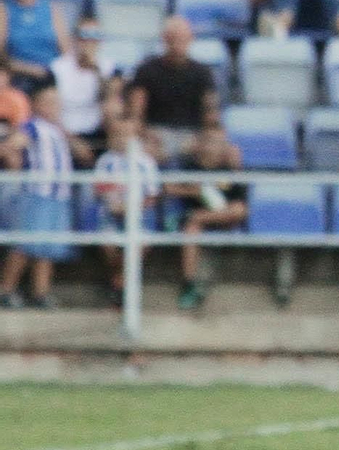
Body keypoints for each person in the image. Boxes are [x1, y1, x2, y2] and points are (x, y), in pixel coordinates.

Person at [0, 83, 73, 309]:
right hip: (37, 194)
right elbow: (11, 145)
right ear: (36, 105)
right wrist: (14, 163)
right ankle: (5, 289)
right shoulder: (33, 126)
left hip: (58, 196)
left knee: (46, 248)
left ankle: (41, 293)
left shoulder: (57, 129)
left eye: (57, 102)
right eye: (48, 102)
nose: (54, 107)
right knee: (25, 245)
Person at [166, 124, 248, 309]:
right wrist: (192, 191)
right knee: (191, 230)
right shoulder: (189, 165)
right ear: (201, 143)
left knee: (238, 210)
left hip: (221, 219)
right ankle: (189, 284)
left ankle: (196, 217)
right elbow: (168, 187)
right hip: (196, 221)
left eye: (220, 142)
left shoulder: (229, 170)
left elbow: (239, 205)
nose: (215, 146)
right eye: (211, 141)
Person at [89, 108, 160, 305]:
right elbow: (98, 189)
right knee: (109, 247)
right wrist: (113, 203)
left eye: (127, 135)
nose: (122, 139)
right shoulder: (105, 161)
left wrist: (131, 208)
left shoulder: (145, 162)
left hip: (140, 216)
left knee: (138, 247)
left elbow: (152, 196)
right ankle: (121, 283)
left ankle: (119, 286)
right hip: (111, 214)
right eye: (117, 134)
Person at [127, 16, 220, 165]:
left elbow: (210, 113)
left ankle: (204, 188)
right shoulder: (147, 70)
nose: (177, 44)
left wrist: (206, 137)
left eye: (182, 38)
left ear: (190, 39)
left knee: (222, 151)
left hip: (192, 137)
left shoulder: (202, 73)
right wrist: (145, 133)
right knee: (139, 152)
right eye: (173, 38)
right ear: (165, 39)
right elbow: (137, 114)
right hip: (157, 135)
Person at [48, 16, 115, 162]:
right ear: (75, 38)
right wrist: (71, 140)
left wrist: (96, 71)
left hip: (98, 131)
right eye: (85, 36)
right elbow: (50, 111)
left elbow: (110, 103)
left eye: (95, 36)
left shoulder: (107, 68)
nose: (89, 42)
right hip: (64, 131)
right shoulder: (58, 69)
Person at [0, 0, 70, 95]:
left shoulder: (51, 9)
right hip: (18, 74)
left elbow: (65, 50)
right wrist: (30, 69)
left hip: (50, 74)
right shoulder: (4, 10)